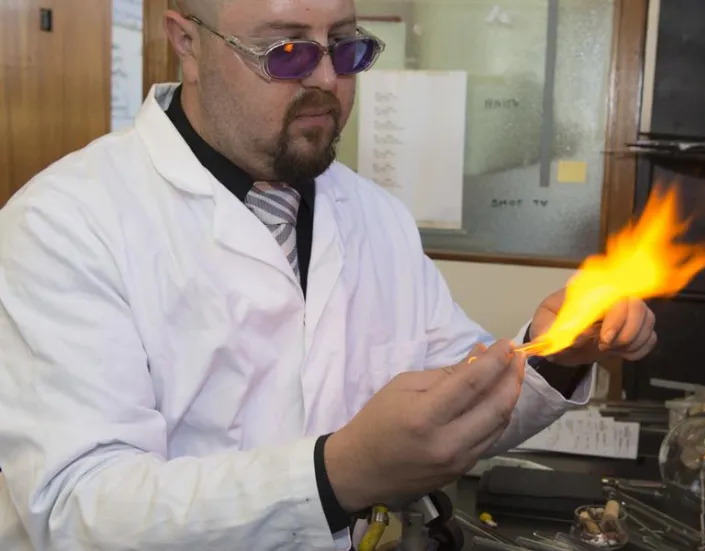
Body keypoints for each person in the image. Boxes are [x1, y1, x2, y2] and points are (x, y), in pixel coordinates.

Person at [0, 0, 657, 549]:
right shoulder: (65, 225)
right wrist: (335, 475)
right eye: (286, 51)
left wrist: (554, 356)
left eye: (344, 47)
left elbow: (457, 406)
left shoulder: (377, 218)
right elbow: (72, 509)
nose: (326, 81)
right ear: (187, 42)